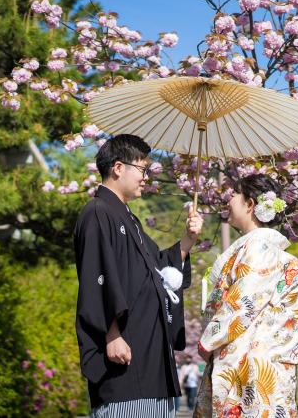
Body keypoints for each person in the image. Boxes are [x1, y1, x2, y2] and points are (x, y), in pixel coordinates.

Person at [74, 134, 204, 418]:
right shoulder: (98, 212)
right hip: (125, 354)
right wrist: (111, 333)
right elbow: (95, 276)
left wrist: (188, 239)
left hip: (150, 354)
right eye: (143, 169)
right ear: (118, 168)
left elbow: (159, 269)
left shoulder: (128, 218)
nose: (147, 177)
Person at [193, 174, 298, 418]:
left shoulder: (258, 248)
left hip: (249, 367)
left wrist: (209, 341)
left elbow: (242, 305)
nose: (228, 201)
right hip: (267, 366)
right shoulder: (275, 253)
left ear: (250, 204)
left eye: (235, 194)